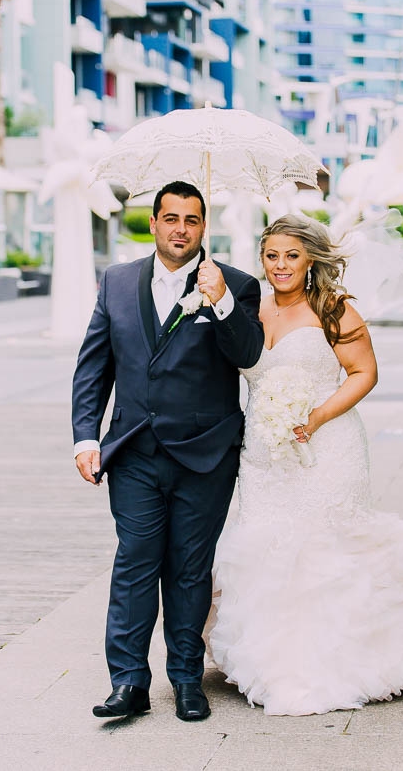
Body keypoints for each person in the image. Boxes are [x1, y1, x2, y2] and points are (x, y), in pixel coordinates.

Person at [207, 214, 403, 717]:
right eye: (272, 255)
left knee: (328, 547)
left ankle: (337, 659)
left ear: (310, 260)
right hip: (264, 458)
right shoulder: (251, 309)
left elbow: (364, 372)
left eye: (292, 256)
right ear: (261, 259)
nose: (281, 265)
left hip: (328, 446)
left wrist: (317, 416)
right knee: (268, 550)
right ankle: (277, 659)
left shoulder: (333, 308)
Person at [72, 180, 263, 722]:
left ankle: (185, 677)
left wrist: (222, 300)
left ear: (205, 227)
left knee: (188, 569)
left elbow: (249, 354)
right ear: (153, 223)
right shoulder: (115, 282)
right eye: (171, 218)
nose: (181, 229)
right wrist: (87, 437)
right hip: (133, 450)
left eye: (192, 220)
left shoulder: (238, 285)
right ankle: (128, 681)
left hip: (205, 454)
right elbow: (94, 366)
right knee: (134, 563)